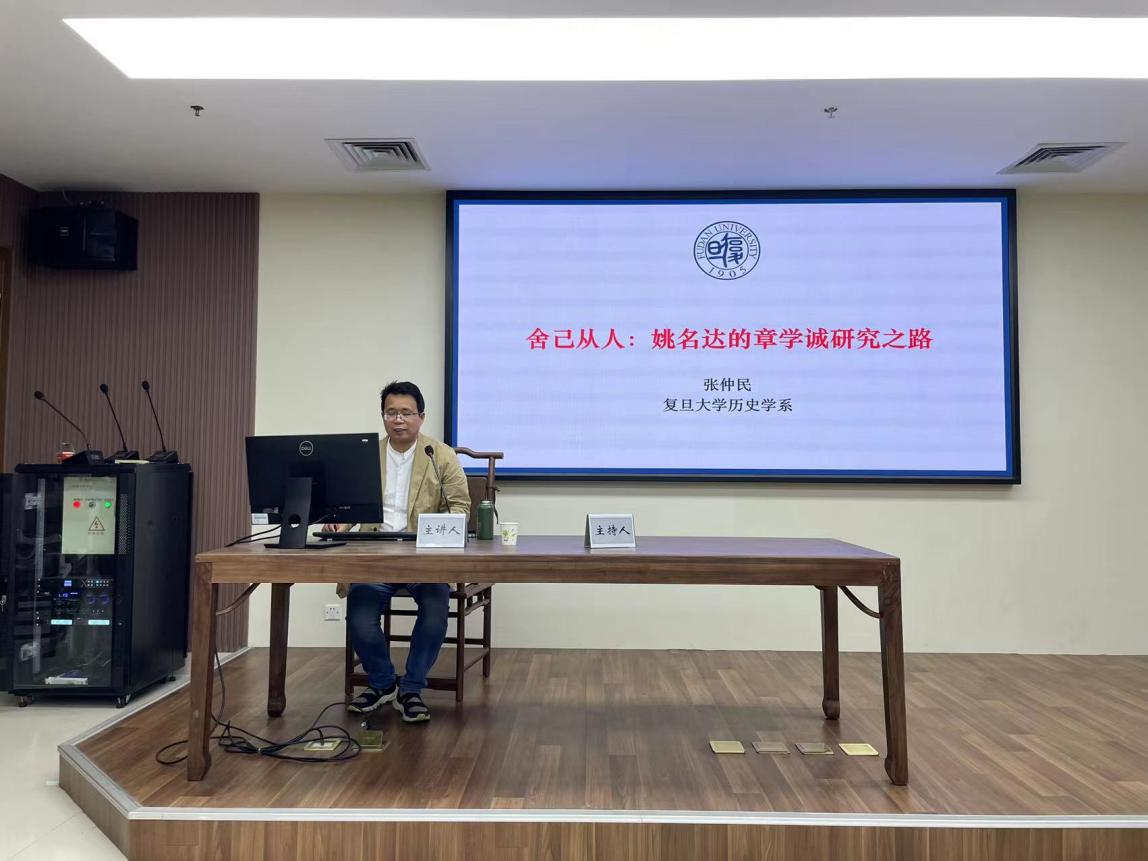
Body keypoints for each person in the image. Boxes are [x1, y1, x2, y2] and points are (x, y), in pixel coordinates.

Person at [328, 380, 470, 723]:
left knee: (435, 611)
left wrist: (436, 535)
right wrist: (340, 523)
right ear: (383, 416)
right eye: (391, 412)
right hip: (375, 554)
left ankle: (411, 688)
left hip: (425, 557)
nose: (398, 420)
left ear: (421, 416)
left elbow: (461, 508)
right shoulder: (366, 457)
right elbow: (347, 507)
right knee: (360, 615)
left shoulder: (440, 455)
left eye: (406, 412)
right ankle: (382, 683)